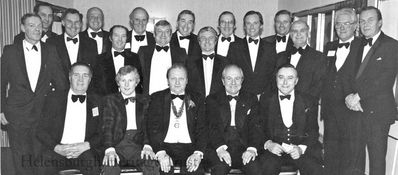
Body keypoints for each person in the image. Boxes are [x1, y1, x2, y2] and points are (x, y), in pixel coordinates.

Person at [1, 13, 66, 175]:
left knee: (41, 161)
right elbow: (0, 82)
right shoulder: (10, 51)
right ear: (23, 28)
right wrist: (0, 109)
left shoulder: (50, 51)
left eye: (39, 26)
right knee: (21, 161)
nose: (37, 29)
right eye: (31, 25)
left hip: (43, 116)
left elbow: (61, 84)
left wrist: (61, 111)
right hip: (16, 115)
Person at [345, 6, 398, 175]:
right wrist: (348, 97)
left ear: (380, 23)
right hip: (355, 111)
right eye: (362, 21)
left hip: (378, 114)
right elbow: (348, 74)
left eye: (370, 20)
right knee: (354, 158)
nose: (365, 24)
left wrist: (358, 96)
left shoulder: (392, 45)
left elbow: (385, 79)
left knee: (376, 162)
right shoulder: (356, 44)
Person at [36, 63, 102, 175]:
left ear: (90, 79)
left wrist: (87, 145)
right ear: (70, 77)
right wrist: (56, 147)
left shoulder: (98, 101)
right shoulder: (54, 99)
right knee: (43, 164)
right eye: (76, 75)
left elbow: (102, 131)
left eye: (85, 75)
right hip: (58, 150)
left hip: (84, 151)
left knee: (93, 166)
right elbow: (41, 130)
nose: (81, 79)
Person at [258, 64, 323, 175]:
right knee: (267, 167)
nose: (285, 82)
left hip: (300, 148)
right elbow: (259, 128)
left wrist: (301, 149)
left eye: (290, 78)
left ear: (296, 81)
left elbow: (313, 131)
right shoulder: (266, 99)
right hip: (275, 149)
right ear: (276, 79)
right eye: (281, 77)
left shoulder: (309, 100)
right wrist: (269, 144)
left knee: (314, 168)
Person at [322, 8, 363, 175]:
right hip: (330, 110)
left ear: (355, 26)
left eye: (347, 23)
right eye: (338, 24)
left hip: (351, 111)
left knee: (351, 156)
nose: (342, 27)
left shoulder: (363, 46)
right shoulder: (329, 46)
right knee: (331, 155)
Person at [146, 64, 207, 174]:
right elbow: (152, 129)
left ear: (187, 80)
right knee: (162, 170)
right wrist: (160, 153)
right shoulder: (157, 98)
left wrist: (197, 153)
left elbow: (202, 128)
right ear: (168, 81)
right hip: (165, 147)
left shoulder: (198, 98)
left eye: (181, 79)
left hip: (190, 148)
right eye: (173, 79)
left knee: (195, 171)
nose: (177, 82)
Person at [101, 65, 159, 175]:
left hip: (139, 146)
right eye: (123, 80)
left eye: (130, 80)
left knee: (152, 166)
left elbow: (149, 126)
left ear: (136, 82)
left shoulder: (146, 100)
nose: (126, 84)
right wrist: (109, 149)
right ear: (118, 82)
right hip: (117, 145)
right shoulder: (110, 100)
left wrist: (147, 145)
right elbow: (107, 126)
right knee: (109, 168)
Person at [206, 64, 263, 175]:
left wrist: (251, 149)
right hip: (221, 147)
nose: (233, 82)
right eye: (229, 78)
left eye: (237, 78)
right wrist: (220, 149)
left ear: (242, 80)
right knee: (219, 169)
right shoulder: (212, 99)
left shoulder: (251, 98)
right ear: (223, 81)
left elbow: (256, 127)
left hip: (244, 148)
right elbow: (212, 127)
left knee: (255, 169)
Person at [227, 10, 276, 99]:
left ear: (261, 25)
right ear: (244, 26)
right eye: (248, 23)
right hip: (241, 98)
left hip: (264, 98)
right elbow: (229, 74)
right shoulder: (234, 47)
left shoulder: (270, 48)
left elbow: (273, 74)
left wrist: (265, 95)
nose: (252, 27)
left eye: (255, 23)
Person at [276, 20, 327, 99]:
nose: (298, 34)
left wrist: (302, 106)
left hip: (306, 107)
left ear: (308, 34)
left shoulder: (319, 57)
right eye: (295, 31)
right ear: (290, 34)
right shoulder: (280, 57)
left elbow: (318, 86)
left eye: (302, 31)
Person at [90, 25, 142, 96]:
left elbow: (139, 84)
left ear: (127, 38)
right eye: (116, 36)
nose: (120, 39)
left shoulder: (135, 57)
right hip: (106, 103)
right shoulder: (99, 59)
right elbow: (94, 86)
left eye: (123, 36)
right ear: (110, 38)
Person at [138, 20, 187, 95]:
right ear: (154, 34)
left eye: (167, 31)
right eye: (159, 31)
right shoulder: (143, 51)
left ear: (171, 35)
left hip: (172, 98)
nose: (163, 35)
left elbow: (186, 77)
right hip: (148, 100)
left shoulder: (181, 52)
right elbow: (138, 75)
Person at [47, 8, 98, 77]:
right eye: (69, 22)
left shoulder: (91, 43)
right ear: (63, 22)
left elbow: (93, 71)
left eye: (77, 22)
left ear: (81, 24)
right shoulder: (52, 42)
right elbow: (50, 70)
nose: (73, 26)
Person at [187, 26, 227, 98]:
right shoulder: (189, 62)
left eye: (211, 38)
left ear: (216, 41)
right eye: (203, 38)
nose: (207, 41)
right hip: (196, 106)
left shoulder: (225, 62)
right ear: (199, 41)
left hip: (218, 106)